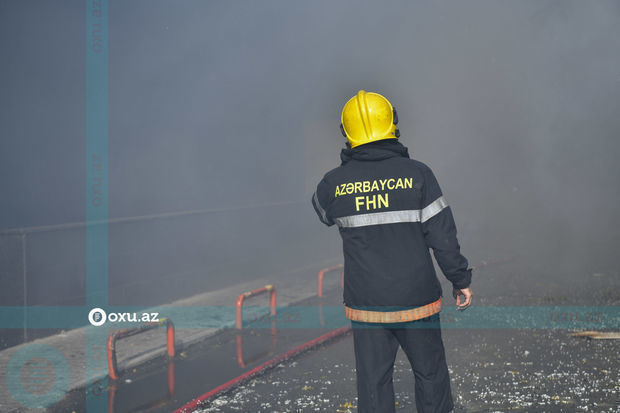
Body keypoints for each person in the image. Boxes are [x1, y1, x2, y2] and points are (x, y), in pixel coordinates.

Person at [311, 90, 473, 413]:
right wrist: (460, 279)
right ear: (392, 124)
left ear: (347, 132)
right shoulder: (419, 174)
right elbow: (442, 235)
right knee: (431, 376)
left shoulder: (332, 184)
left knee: (373, 384)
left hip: (367, 305)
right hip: (418, 301)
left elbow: (322, 212)